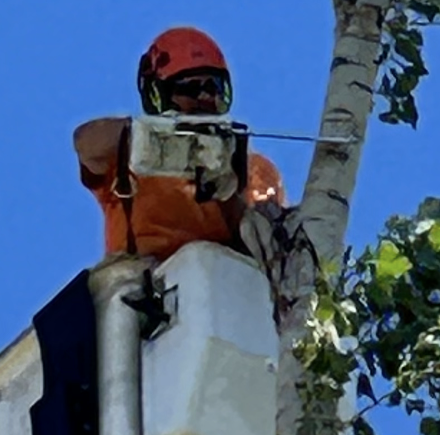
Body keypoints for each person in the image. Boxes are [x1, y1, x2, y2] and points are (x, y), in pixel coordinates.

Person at [74, 26, 284, 261]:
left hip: (223, 280)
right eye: (191, 89)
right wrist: (167, 147)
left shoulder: (254, 168)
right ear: (159, 95)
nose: (206, 98)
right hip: (141, 282)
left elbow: (265, 239)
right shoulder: (133, 158)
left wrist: (229, 188)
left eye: (212, 86)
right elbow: (87, 143)